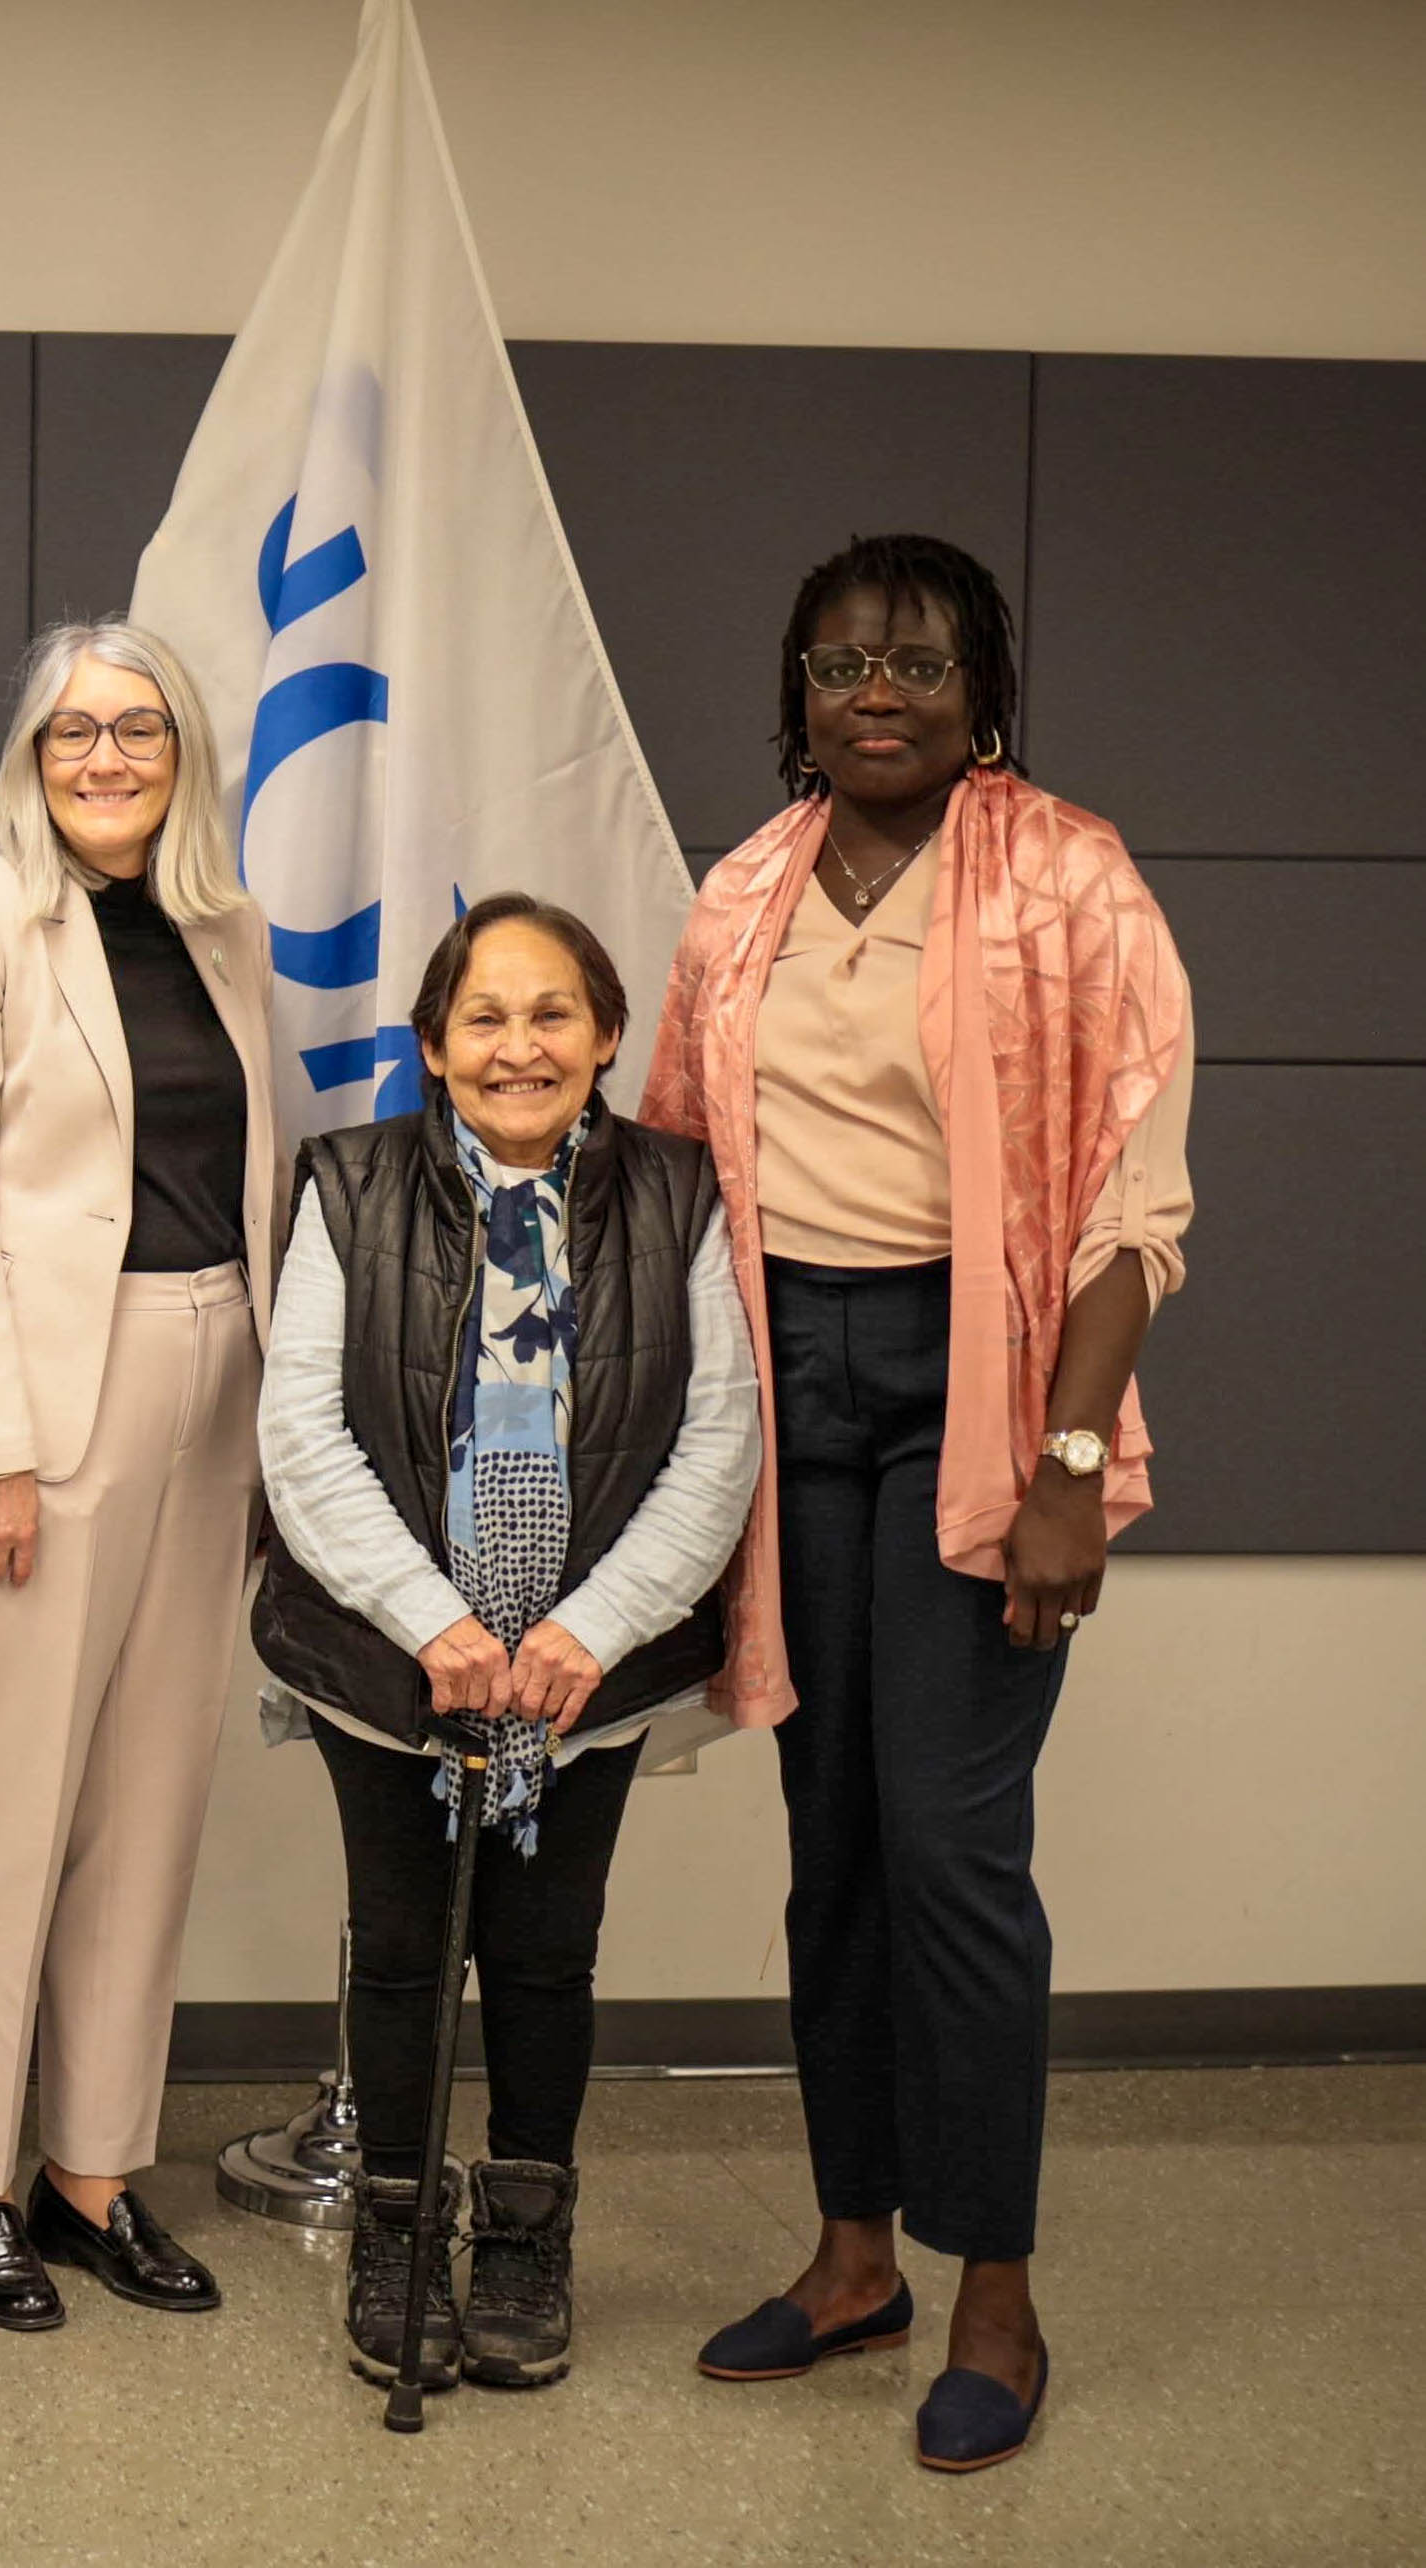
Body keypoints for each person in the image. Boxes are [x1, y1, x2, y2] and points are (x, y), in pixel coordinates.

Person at [649, 534, 1192, 2474]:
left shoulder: (1070, 874)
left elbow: (1139, 1200)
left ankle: (995, 2294)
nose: (877, 693)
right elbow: (674, 1175)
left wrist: (1066, 1464)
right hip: (784, 1387)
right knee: (836, 1846)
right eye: (840, 663)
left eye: (921, 663)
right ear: (794, 688)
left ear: (986, 693)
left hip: (980, 1394)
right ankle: (853, 2252)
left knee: (954, 1851)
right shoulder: (740, 895)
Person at [253, 895, 759, 2396]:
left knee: (545, 1957)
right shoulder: (346, 1185)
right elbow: (302, 1434)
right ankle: (400, 2230)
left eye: (554, 1016)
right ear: (431, 1044)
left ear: (607, 1038)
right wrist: (439, 1628)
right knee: (403, 1953)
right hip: (394, 1665)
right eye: (485, 1016)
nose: (519, 1045)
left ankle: (528, 2228)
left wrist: (586, 1634)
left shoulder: (685, 1194)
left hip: (582, 1681)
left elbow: (721, 1438)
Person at [0, 622, 279, 2334]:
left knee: (151, 1802)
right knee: (19, 1804)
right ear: (30, 758)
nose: (108, 758)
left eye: (140, 728)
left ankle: (95, 2170)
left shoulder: (224, 929)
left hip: (216, 1384)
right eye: (73, 733)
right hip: (49, 1397)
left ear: (183, 748)